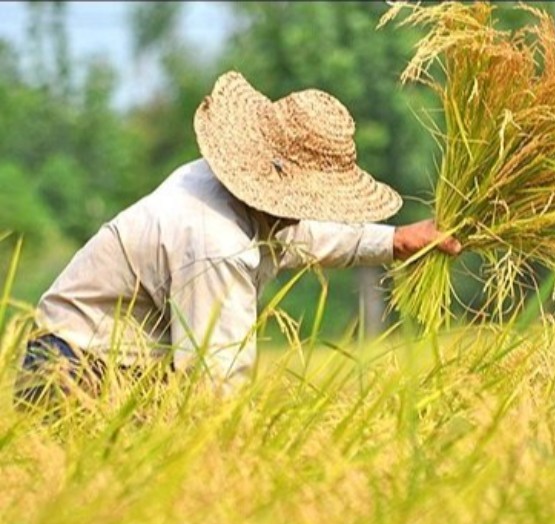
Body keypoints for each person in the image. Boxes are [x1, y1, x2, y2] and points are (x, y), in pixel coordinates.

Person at [15, 70, 460, 408]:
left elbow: (302, 236)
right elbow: (215, 385)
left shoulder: (222, 185)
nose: (309, 210)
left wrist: (397, 240)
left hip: (116, 366)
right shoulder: (216, 243)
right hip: (73, 373)